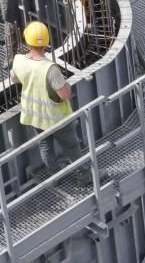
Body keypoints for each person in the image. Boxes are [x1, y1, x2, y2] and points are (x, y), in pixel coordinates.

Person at [10, 21, 96, 186]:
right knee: (72, 146)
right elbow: (64, 94)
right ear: (47, 42)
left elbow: (14, 79)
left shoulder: (19, 60)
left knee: (45, 145)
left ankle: (54, 175)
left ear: (27, 40)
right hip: (57, 118)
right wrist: (67, 85)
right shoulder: (50, 69)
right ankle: (85, 175)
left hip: (34, 116)